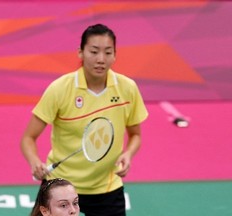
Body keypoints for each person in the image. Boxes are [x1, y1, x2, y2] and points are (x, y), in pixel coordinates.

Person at [21, 23, 148, 216]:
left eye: (107, 52)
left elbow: (136, 134)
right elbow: (28, 138)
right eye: (94, 51)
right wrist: (34, 162)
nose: (100, 59)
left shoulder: (127, 88)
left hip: (106, 187)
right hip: (60, 185)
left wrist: (128, 154)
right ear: (80, 52)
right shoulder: (60, 89)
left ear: (115, 55)